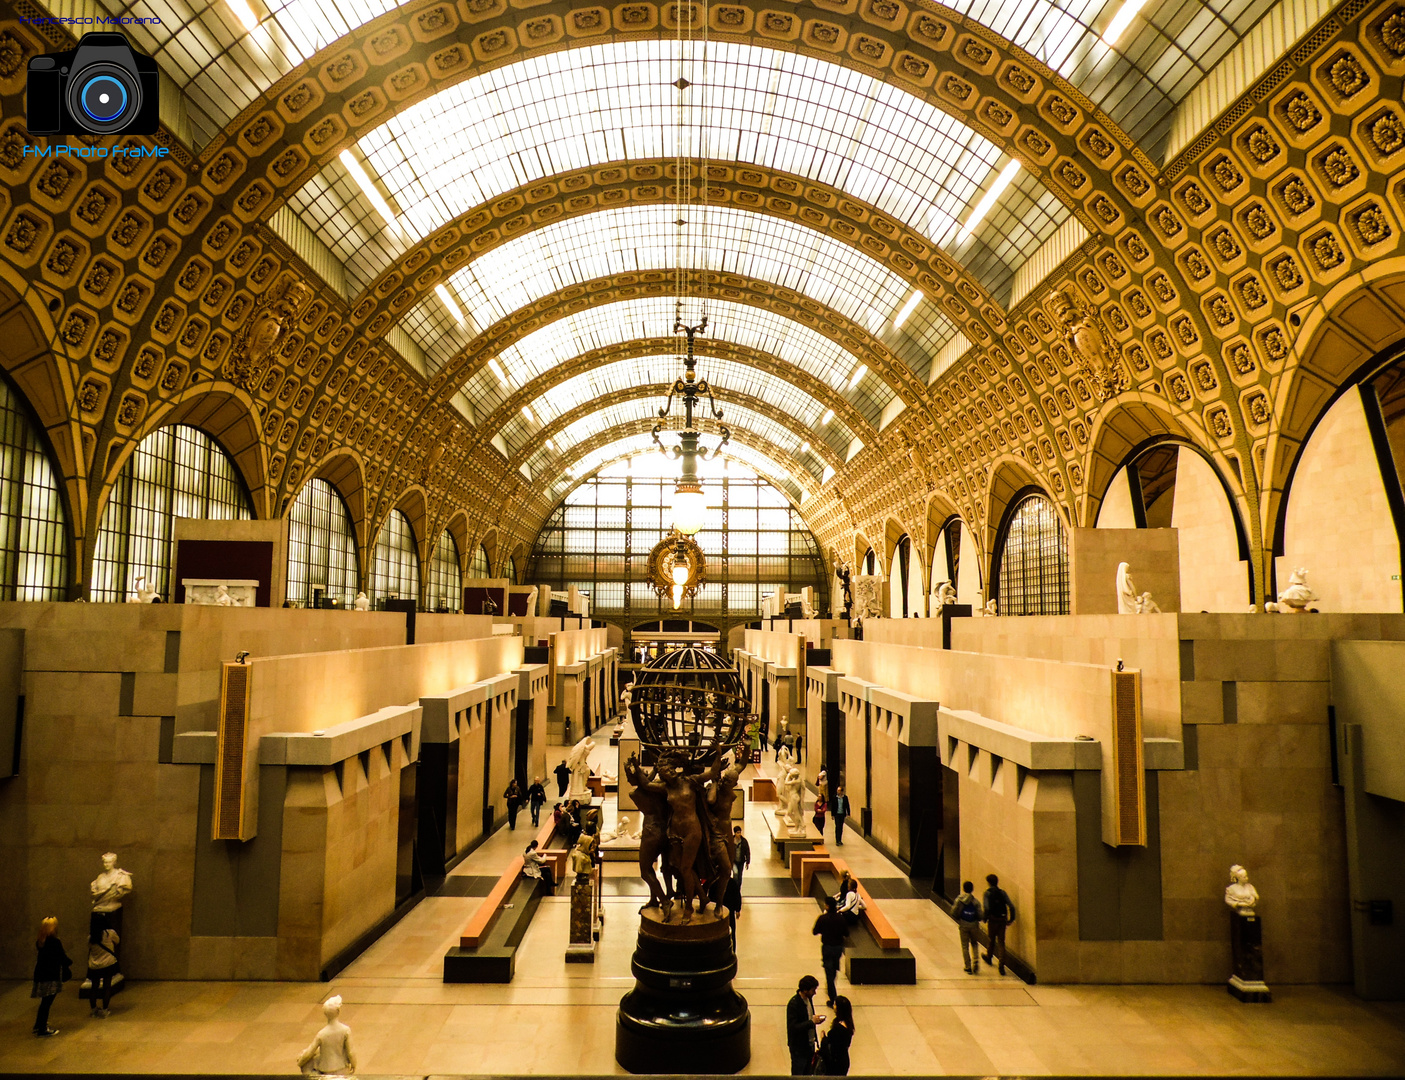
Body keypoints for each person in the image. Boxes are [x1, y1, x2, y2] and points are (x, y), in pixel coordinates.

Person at [296, 994, 356, 1075]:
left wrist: (300, 1061)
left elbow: (310, 1052)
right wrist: (353, 1063)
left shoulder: (322, 1034)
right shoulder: (345, 1030)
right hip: (342, 1067)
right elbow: (350, 1052)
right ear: (338, 1011)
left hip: (326, 1069)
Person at [32, 916, 70, 1037]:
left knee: (44, 1001)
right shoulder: (54, 942)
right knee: (47, 1003)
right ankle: (42, 1028)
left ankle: (38, 1024)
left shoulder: (40, 941)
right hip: (51, 975)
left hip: (41, 974)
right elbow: (61, 957)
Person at [812, 896, 849, 1008]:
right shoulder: (841, 918)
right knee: (833, 970)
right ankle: (831, 989)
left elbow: (815, 931)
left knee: (829, 972)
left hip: (827, 948)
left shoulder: (823, 918)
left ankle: (833, 998)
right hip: (838, 948)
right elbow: (846, 933)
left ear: (827, 906)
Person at [785, 974, 825, 1075]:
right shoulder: (794, 1004)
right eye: (813, 990)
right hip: (799, 1048)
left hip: (809, 1045)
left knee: (808, 1073)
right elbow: (793, 1027)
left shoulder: (808, 1000)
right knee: (799, 1073)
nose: (814, 993)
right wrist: (811, 1022)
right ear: (805, 990)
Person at [981, 873, 1017, 975]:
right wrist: (1011, 919)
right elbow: (1011, 906)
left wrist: (985, 918)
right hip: (1002, 920)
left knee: (991, 939)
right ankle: (1001, 966)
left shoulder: (987, 893)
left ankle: (989, 957)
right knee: (1001, 942)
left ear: (988, 883)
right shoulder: (1002, 893)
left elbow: (987, 908)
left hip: (993, 920)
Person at [86, 913, 119, 1017]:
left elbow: (90, 948)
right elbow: (117, 941)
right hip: (108, 963)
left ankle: (93, 1009)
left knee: (94, 987)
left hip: (94, 965)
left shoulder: (90, 938)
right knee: (106, 987)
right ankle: (105, 1009)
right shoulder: (109, 933)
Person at [950, 879, 983, 974]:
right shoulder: (975, 901)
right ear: (972, 889)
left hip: (963, 925)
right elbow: (980, 915)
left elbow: (953, 911)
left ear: (963, 888)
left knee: (965, 946)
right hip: (974, 925)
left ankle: (968, 966)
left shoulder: (959, 900)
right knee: (974, 943)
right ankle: (976, 959)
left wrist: (959, 919)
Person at [819, 995, 855, 1076]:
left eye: (835, 1004)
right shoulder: (848, 1024)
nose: (833, 1006)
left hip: (835, 1063)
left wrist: (823, 1039)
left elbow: (833, 1045)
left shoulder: (839, 1029)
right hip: (843, 1060)